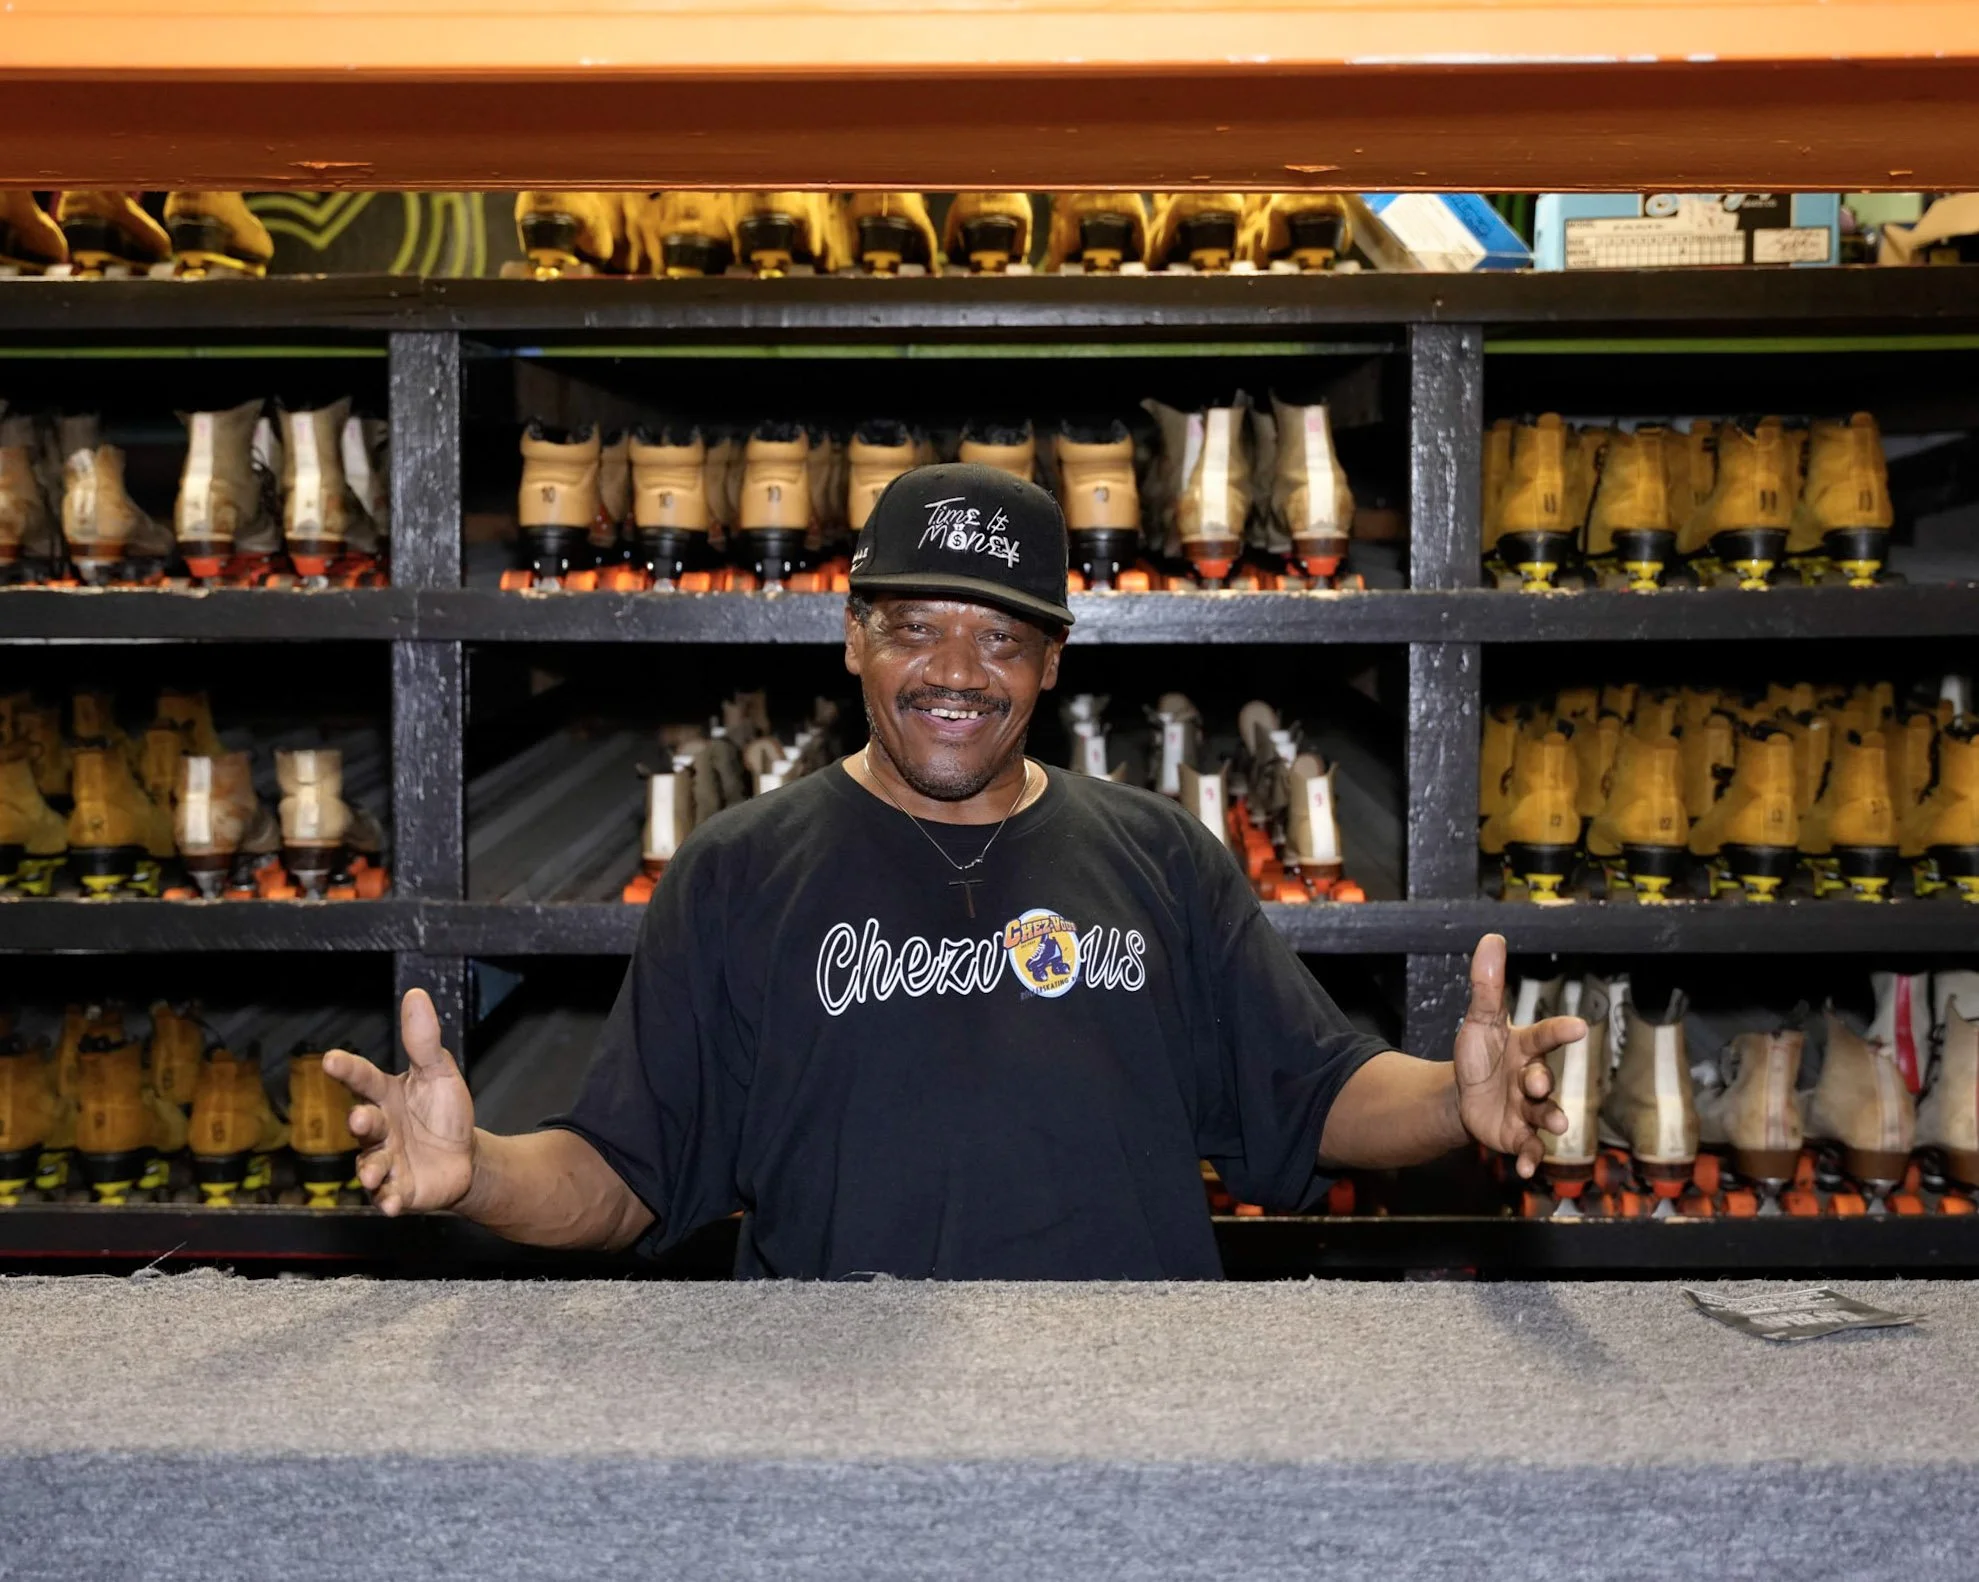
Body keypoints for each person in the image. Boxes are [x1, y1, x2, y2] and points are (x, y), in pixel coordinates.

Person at [328, 463, 1581, 1278]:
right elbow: (621, 1179)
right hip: (833, 1423)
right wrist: (477, 1170)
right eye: (915, 626)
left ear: (1050, 665)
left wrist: (1448, 1102)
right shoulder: (735, 875)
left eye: (999, 636)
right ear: (851, 638)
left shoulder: (1156, 855)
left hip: (1127, 1409)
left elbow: (1307, 1098)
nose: (955, 669)